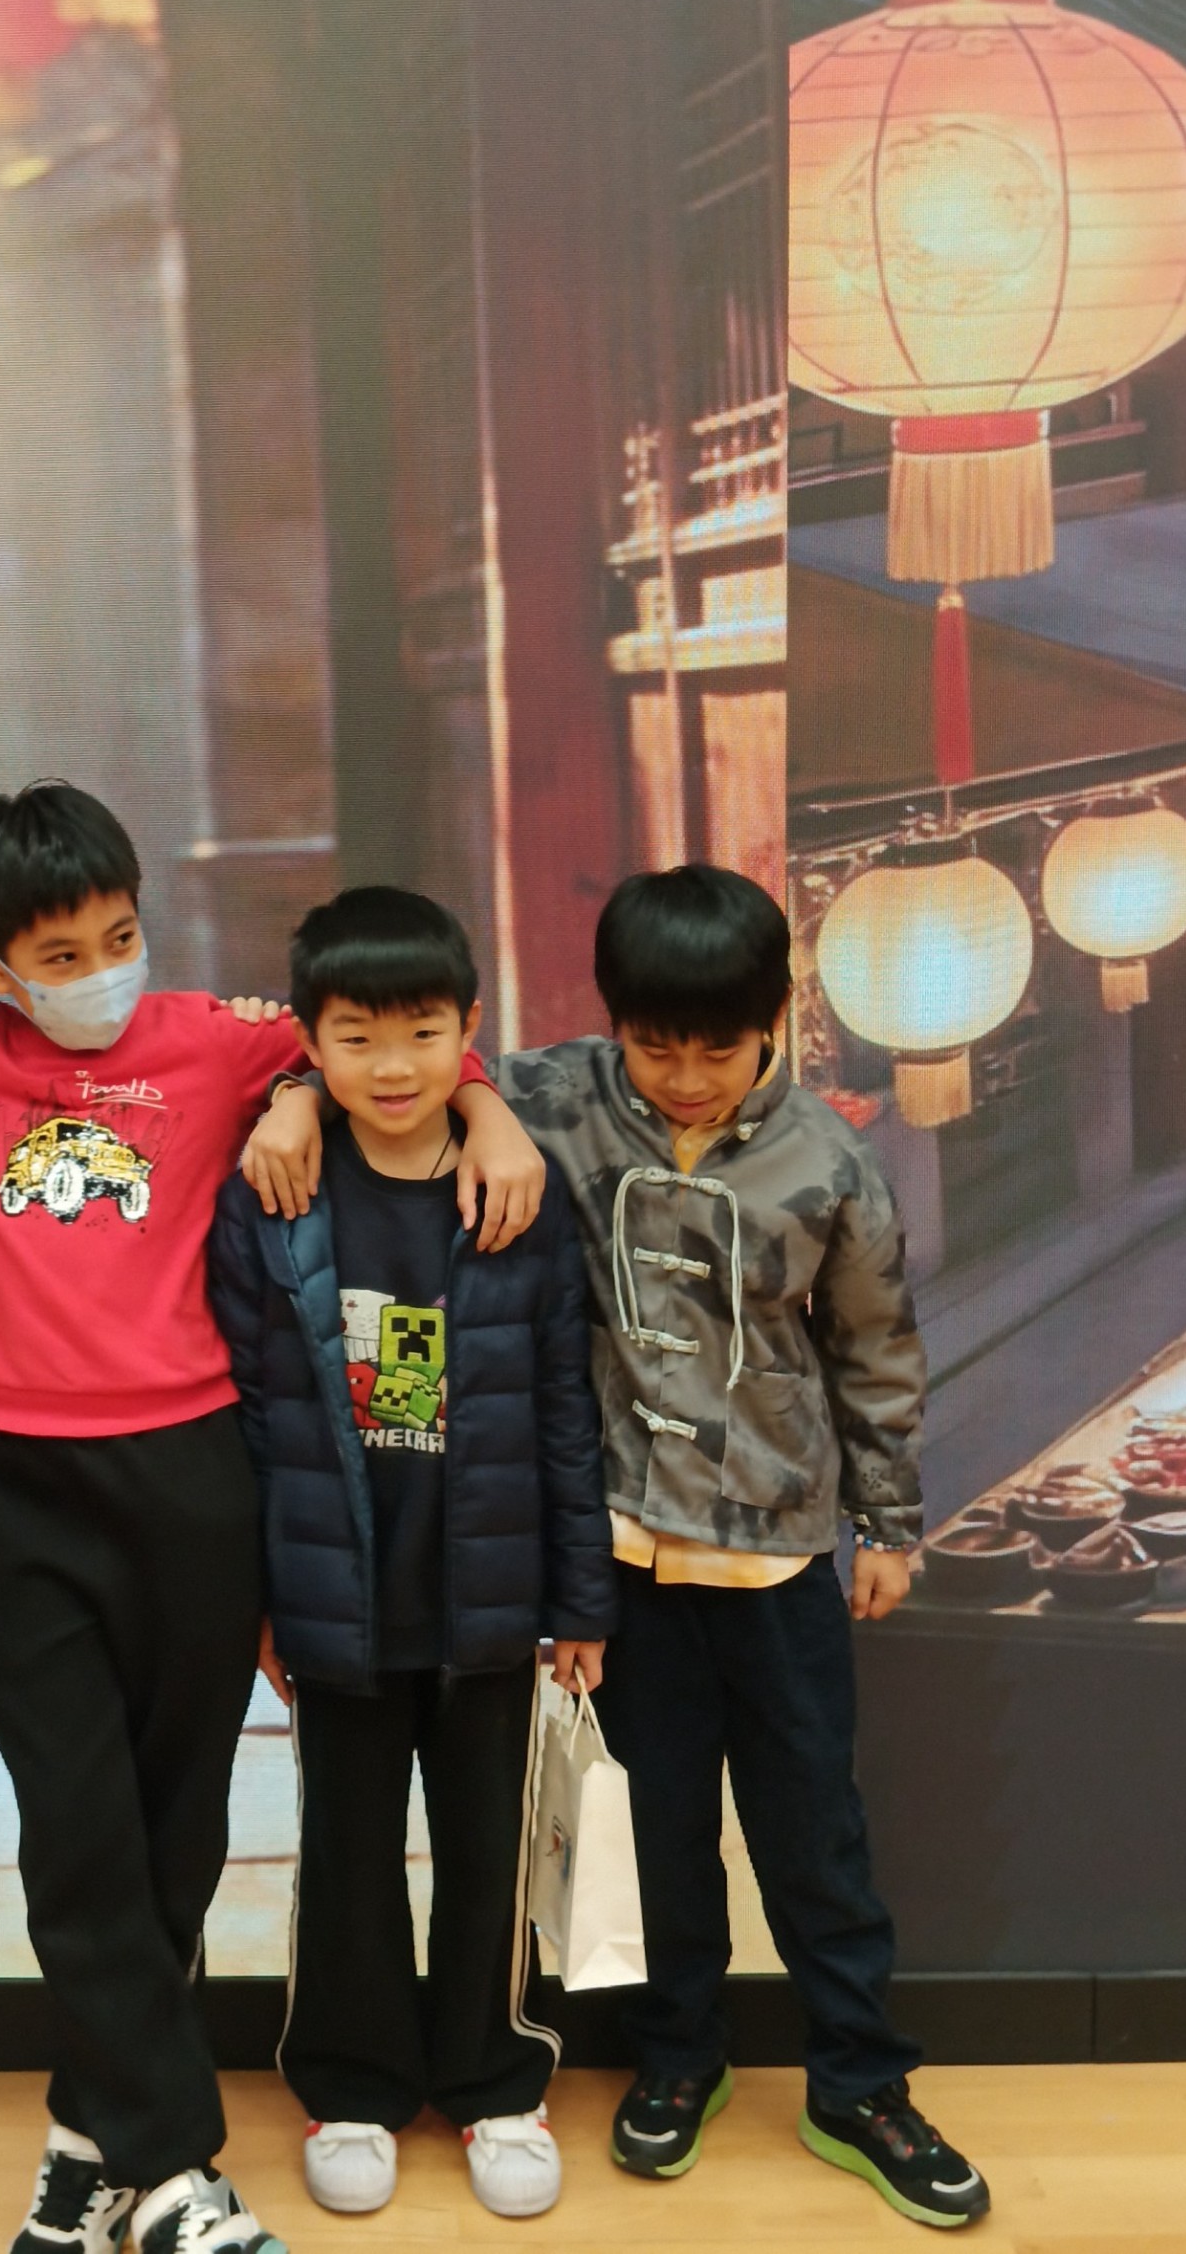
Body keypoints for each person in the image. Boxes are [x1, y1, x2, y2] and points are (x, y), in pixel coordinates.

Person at [0, 783, 547, 2254]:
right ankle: (178, 2174)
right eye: (61, 954)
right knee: (77, 1828)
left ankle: (85, 2149)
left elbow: (384, 1039)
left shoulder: (213, 1042)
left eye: (121, 935)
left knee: (178, 1834)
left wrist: (471, 1105)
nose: (103, 971)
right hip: (18, 1484)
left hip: (190, 1479)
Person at [241, 863, 991, 2233]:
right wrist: (331, 1097)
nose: (687, 1079)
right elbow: (398, 1057)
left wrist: (889, 1518)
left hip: (775, 1559)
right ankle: (678, 2058)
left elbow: (876, 1346)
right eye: (657, 1047)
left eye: (721, 1048)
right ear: (614, 1026)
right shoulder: (558, 1095)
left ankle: (861, 2081)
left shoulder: (830, 1161)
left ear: (778, 1021)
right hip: (627, 1560)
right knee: (657, 1838)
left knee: (813, 1833)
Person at [209, 887, 616, 2224]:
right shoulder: (275, 1197)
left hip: (487, 1594)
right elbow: (246, 1416)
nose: (393, 1066)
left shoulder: (517, 1193)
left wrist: (578, 1597)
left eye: (424, 1033)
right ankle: (353, 2082)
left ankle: (496, 2081)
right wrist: (259, 1596)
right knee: (348, 1851)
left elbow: (565, 1409)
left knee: (489, 1849)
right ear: (307, 1043)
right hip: (337, 1594)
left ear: (469, 1030)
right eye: (357, 1037)